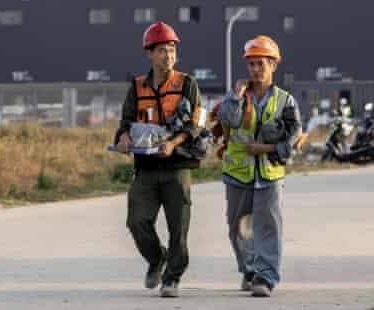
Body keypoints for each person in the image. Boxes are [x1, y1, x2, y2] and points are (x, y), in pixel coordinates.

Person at [113, 21, 204, 298]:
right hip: (146, 168)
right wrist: (123, 138)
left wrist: (173, 142)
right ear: (149, 53)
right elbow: (125, 121)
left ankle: (172, 278)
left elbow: (197, 122)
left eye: (172, 50)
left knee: (179, 227)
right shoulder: (137, 86)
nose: (169, 56)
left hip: (176, 166)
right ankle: (156, 259)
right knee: (136, 220)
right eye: (163, 50)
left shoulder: (187, 83)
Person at [216, 35, 303, 297]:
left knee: (267, 227)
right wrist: (235, 96)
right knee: (237, 226)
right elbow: (228, 122)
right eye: (251, 64)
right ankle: (249, 270)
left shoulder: (285, 101)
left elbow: (294, 138)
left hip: (269, 174)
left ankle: (266, 277)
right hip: (237, 174)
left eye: (261, 64)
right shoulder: (239, 97)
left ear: (274, 65)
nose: (255, 69)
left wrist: (265, 149)